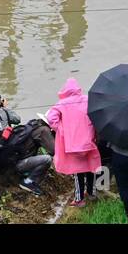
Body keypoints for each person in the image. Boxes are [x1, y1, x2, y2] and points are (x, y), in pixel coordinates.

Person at [0, 90, 53, 194]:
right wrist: (4, 107)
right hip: (5, 157)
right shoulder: (3, 112)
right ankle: (28, 180)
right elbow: (17, 119)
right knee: (46, 158)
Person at [46, 77, 101, 205]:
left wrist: (61, 128)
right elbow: (96, 115)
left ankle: (79, 199)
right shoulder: (87, 100)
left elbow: (51, 118)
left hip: (72, 144)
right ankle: (92, 193)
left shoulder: (62, 103)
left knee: (78, 172)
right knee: (90, 168)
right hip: (89, 141)